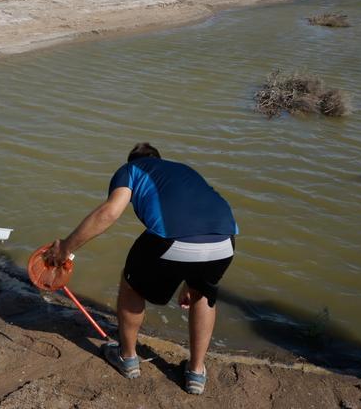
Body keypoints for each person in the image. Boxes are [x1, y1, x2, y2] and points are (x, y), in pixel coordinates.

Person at [44, 142, 237, 395]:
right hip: (225, 238)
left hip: (174, 239)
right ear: (159, 159)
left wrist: (65, 248)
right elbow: (194, 217)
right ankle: (196, 373)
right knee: (203, 296)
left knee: (132, 286)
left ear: (132, 161)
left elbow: (108, 214)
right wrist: (190, 281)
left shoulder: (131, 170)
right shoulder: (181, 170)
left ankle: (127, 357)